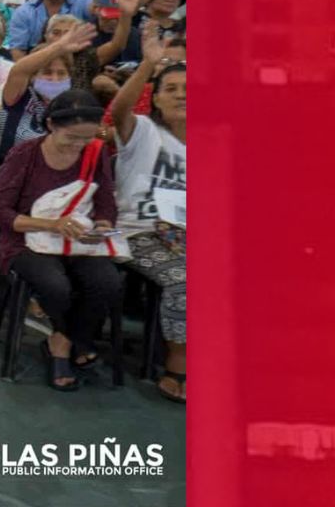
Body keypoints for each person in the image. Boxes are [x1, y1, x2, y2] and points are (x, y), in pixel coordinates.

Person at [0, 89, 123, 391]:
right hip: (25, 238)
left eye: (86, 138)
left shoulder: (95, 150)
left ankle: (61, 339)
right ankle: (71, 343)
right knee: (55, 285)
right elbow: (0, 212)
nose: (78, 145)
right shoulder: (26, 154)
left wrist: (101, 225)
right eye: (71, 138)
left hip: (76, 237)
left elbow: (105, 201)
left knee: (107, 282)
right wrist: (51, 224)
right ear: (50, 125)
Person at [110, 33, 187, 402]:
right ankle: (178, 365)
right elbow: (119, 111)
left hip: (190, 235)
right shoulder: (143, 131)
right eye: (170, 88)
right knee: (187, 281)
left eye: (188, 88)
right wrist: (146, 65)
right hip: (139, 233)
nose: (181, 94)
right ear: (155, 98)